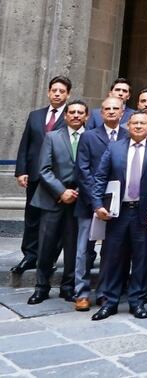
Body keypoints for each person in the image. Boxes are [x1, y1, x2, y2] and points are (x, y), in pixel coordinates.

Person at [91, 112, 147, 320]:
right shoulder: (115, 147)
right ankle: (110, 301)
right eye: (134, 123)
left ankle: (137, 302)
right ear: (128, 125)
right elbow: (100, 176)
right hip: (117, 212)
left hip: (144, 213)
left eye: (142, 123)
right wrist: (98, 204)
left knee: (142, 259)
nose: (138, 126)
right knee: (113, 258)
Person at [29, 100, 89, 305]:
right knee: (46, 246)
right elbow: (43, 169)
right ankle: (41, 287)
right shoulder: (52, 137)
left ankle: (68, 287)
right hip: (52, 200)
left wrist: (79, 192)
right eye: (72, 112)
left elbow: (93, 169)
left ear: (86, 117)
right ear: (65, 116)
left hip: (78, 202)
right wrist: (62, 192)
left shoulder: (91, 138)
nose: (75, 115)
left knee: (72, 248)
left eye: (80, 112)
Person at [73, 96, 128, 310]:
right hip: (89, 203)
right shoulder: (88, 136)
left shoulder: (128, 135)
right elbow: (83, 170)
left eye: (116, 108)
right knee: (84, 251)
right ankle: (82, 293)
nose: (112, 112)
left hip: (117, 204)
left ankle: (105, 292)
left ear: (123, 112)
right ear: (101, 113)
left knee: (111, 251)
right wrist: (96, 201)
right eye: (107, 109)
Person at [13, 75, 71, 275]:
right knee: (32, 216)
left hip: (57, 179)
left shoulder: (71, 117)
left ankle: (49, 259)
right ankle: (29, 255)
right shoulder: (35, 115)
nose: (57, 94)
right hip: (34, 176)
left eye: (61, 91)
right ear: (48, 92)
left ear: (68, 94)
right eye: (54, 90)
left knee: (54, 220)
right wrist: (21, 170)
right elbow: (25, 145)